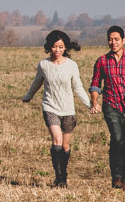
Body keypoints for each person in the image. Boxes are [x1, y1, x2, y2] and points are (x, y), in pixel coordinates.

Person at [22, 29, 91, 188]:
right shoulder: (44, 65)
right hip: (50, 107)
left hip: (68, 110)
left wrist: (90, 104)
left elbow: (78, 87)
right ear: (49, 47)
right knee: (57, 140)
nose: (57, 50)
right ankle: (59, 178)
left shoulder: (72, 66)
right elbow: (36, 83)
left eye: (60, 47)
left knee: (65, 146)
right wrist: (28, 96)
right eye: (54, 47)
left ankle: (63, 175)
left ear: (65, 48)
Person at [89, 25, 125, 192]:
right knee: (117, 138)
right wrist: (94, 101)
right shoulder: (102, 61)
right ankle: (116, 177)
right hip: (111, 105)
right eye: (110, 39)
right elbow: (95, 84)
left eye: (116, 39)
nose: (113, 42)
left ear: (123, 41)